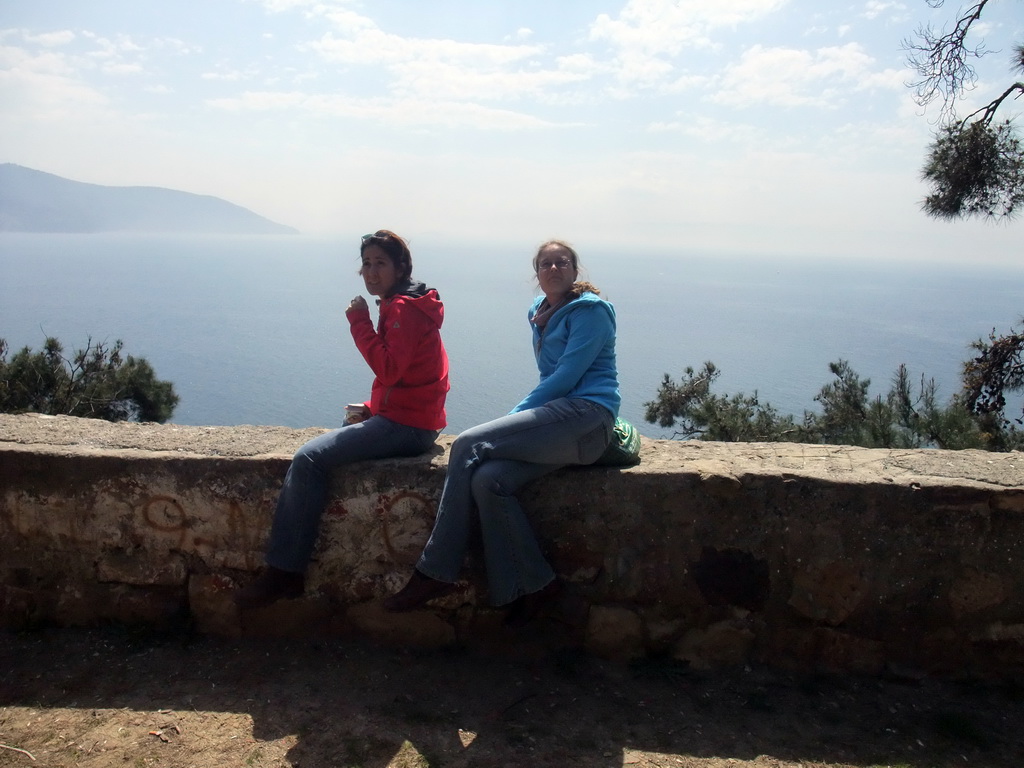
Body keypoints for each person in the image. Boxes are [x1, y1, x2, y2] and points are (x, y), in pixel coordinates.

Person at [384, 239, 619, 627]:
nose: (555, 268)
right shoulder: (540, 312)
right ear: (537, 274)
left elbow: (565, 378)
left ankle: (435, 570)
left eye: (563, 262)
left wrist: (511, 419)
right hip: (560, 425)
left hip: (587, 418)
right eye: (546, 264)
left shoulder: (592, 312)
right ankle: (534, 589)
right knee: (489, 481)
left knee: (467, 444)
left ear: (575, 271)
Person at [236, 230, 449, 609]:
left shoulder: (401, 309)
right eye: (366, 263)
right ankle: (285, 573)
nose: (370, 272)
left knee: (309, 458)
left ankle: (284, 573)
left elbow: (389, 369)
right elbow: (411, 374)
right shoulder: (411, 303)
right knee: (322, 451)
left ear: (401, 267)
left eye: (380, 263)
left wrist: (358, 321)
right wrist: (374, 406)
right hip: (412, 419)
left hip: (409, 426)